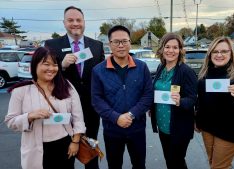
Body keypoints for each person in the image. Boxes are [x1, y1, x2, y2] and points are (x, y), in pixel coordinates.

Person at [5, 47, 86, 169]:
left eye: (55, 65)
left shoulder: (66, 86)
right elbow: (10, 121)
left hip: (65, 144)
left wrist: (75, 141)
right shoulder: (20, 90)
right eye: (46, 64)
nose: (51, 69)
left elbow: (78, 117)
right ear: (35, 65)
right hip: (36, 147)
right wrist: (30, 116)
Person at [44, 6, 105, 169]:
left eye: (78, 20)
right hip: (64, 109)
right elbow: (43, 75)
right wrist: (61, 66)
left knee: (90, 151)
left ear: (84, 22)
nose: (75, 23)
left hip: (91, 109)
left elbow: (102, 77)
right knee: (66, 155)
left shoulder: (97, 46)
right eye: (70, 20)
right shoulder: (52, 45)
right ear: (64, 23)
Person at [91, 25, 153, 169]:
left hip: (136, 127)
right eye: (116, 42)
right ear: (109, 44)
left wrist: (131, 115)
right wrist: (116, 117)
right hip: (112, 129)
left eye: (124, 41)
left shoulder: (141, 67)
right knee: (114, 165)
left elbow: (148, 95)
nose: (121, 45)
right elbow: (97, 99)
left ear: (130, 43)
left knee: (139, 164)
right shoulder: (98, 70)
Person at [195, 36, 234, 169]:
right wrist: (197, 121)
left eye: (224, 51)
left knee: (218, 167)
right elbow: (201, 103)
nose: (219, 55)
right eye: (215, 52)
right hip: (207, 129)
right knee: (215, 164)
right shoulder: (204, 75)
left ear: (231, 53)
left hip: (230, 131)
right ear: (210, 54)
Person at [150, 33, 197, 169]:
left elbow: (193, 98)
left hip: (179, 126)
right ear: (162, 49)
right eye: (167, 47)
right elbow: (157, 91)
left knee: (176, 161)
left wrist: (180, 102)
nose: (171, 51)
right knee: (170, 160)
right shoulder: (160, 68)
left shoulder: (186, 71)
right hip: (163, 125)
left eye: (175, 47)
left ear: (180, 50)